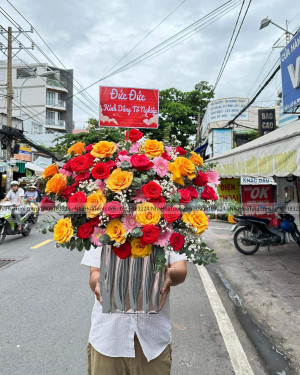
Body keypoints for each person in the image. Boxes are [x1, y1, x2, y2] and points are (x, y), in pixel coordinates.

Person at [81, 247, 187, 375]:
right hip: (108, 338)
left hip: (152, 341)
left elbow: (180, 267)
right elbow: (95, 271)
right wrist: (96, 283)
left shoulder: (170, 228)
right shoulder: (100, 228)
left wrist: (170, 274)